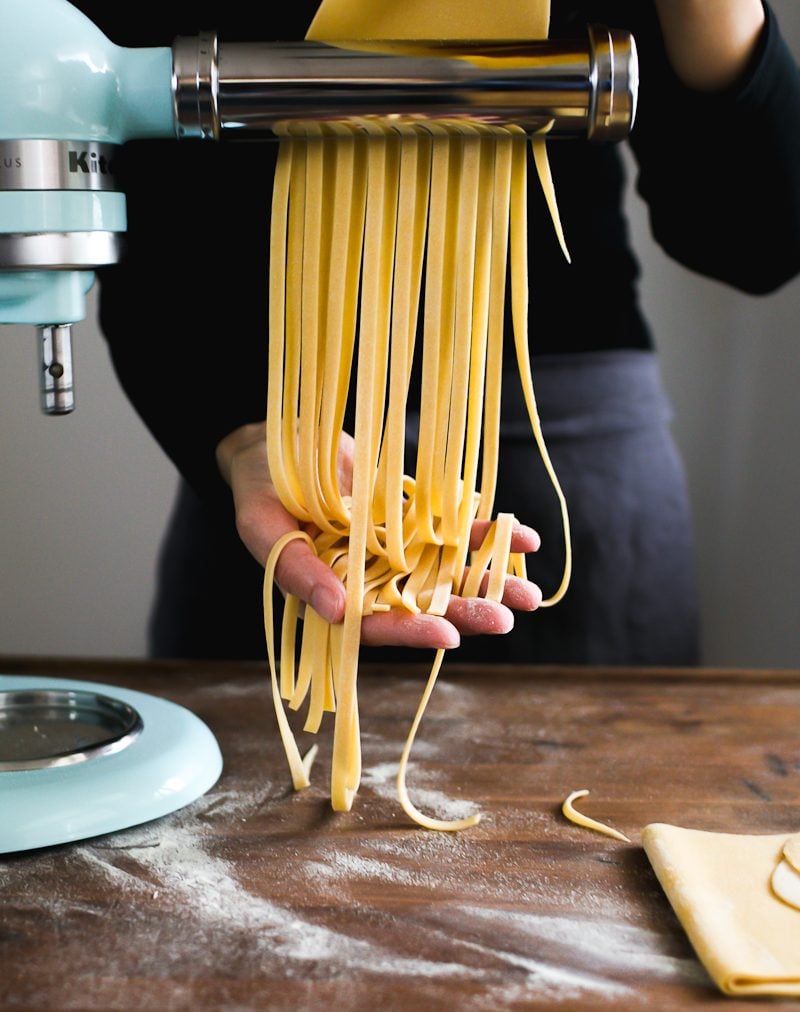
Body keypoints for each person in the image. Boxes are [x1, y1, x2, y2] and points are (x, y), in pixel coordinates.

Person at [75, 1, 800, 664]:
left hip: (570, 442)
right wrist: (241, 435)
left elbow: (757, 237)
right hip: (271, 445)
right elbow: (126, 178)